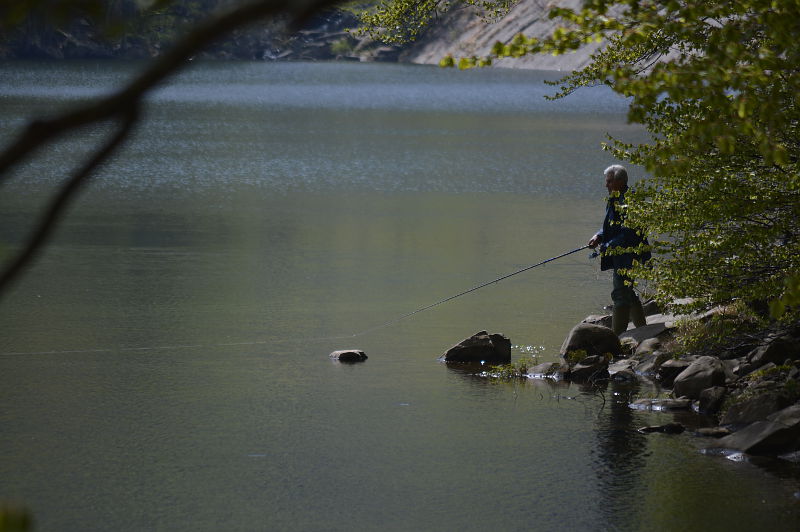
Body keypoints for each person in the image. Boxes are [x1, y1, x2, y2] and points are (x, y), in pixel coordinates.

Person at [588, 165, 651, 335]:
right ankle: (643, 330)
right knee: (627, 291)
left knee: (620, 294)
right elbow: (612, 226)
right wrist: (599, 236)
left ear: (620, 181)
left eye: (609, 181)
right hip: (622, 255)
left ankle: (617, 338)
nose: (606, 185)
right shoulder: (616, 198)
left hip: (629, 256)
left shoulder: (628, 202)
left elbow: (628, 233)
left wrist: (607, 246)